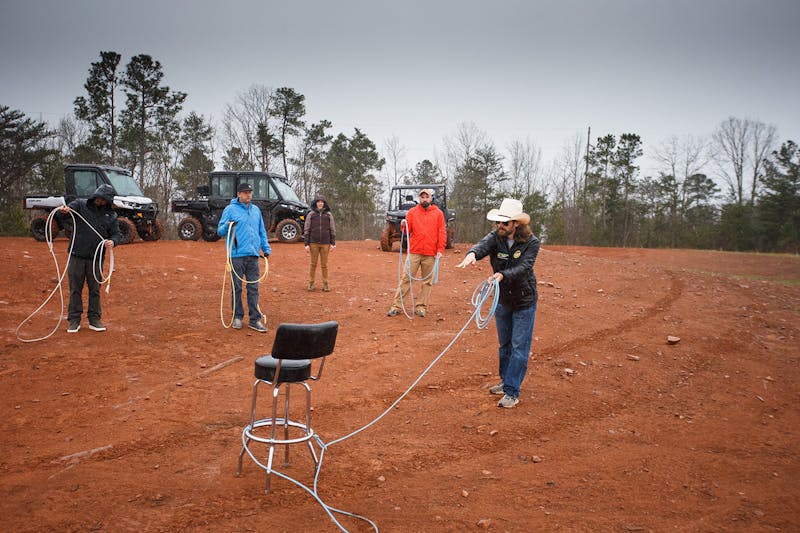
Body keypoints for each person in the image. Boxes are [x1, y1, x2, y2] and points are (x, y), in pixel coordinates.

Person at [456, 198, 540, 409]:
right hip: (502, 300)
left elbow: (525, 267)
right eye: (497, 222)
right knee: (505, 345)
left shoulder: (532, 243)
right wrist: (472, 255)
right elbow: (482, 245)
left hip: (524, 301)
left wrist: (502, 275)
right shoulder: (496, 237)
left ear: (516, 224)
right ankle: (505, 381)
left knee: (519, 347)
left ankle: (512, 391)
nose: (499, 226)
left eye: (504, 223)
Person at [58, 184, 122, 333]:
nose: (100, 200)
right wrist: (64, 211)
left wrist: (113, 241)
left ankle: (94, 319)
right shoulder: (80, 205)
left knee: (95, 290)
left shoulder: (111, 216)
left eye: (103, 199)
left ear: (108, 201)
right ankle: (74, 320)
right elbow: (63, 215)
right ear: (95, 195)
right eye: (98, 197)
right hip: (77, 255)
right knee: (75, 289)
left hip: (96, 258)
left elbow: (116, 234)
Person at [217, 182, 271, 333]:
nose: (248, 195)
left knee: (253, 287)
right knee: (237, 287)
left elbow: (261, 231)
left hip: (253, 255)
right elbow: (219, 230)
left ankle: (255, 319)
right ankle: (237, 317)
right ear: (239, 194)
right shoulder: (230, 210)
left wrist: (266, 248)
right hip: (236, 255)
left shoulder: (256, 210)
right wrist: (227, 226)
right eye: (245, 192)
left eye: (250, 192)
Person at [387, 188, 446, 318]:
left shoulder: (438, 214)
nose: (424, 199)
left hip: (431, 253)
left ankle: (421, 307)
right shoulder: (412, 212)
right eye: (422, 197)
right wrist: (403, 224)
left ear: (431, 198)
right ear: (419, 198)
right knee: (406, 278)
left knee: (427, 282)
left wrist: (440, 250)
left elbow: (442, 232)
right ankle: (397, 306)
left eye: (427, 197)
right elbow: (406, 231)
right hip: (414, 251)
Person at [303, 194, 336, 292]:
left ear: (324, 203)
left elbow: (332, 228)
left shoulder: (328, 215)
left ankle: (325, 284)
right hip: (313, 243)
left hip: (325, 243)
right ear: (316, 203)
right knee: (313, 264)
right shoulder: (311, 214)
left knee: (324, 265)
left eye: (322, 202)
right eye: (318, 202)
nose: (320, 203)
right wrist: (306, 244)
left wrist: (333, 243)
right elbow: (307, 228)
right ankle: (311, 283)